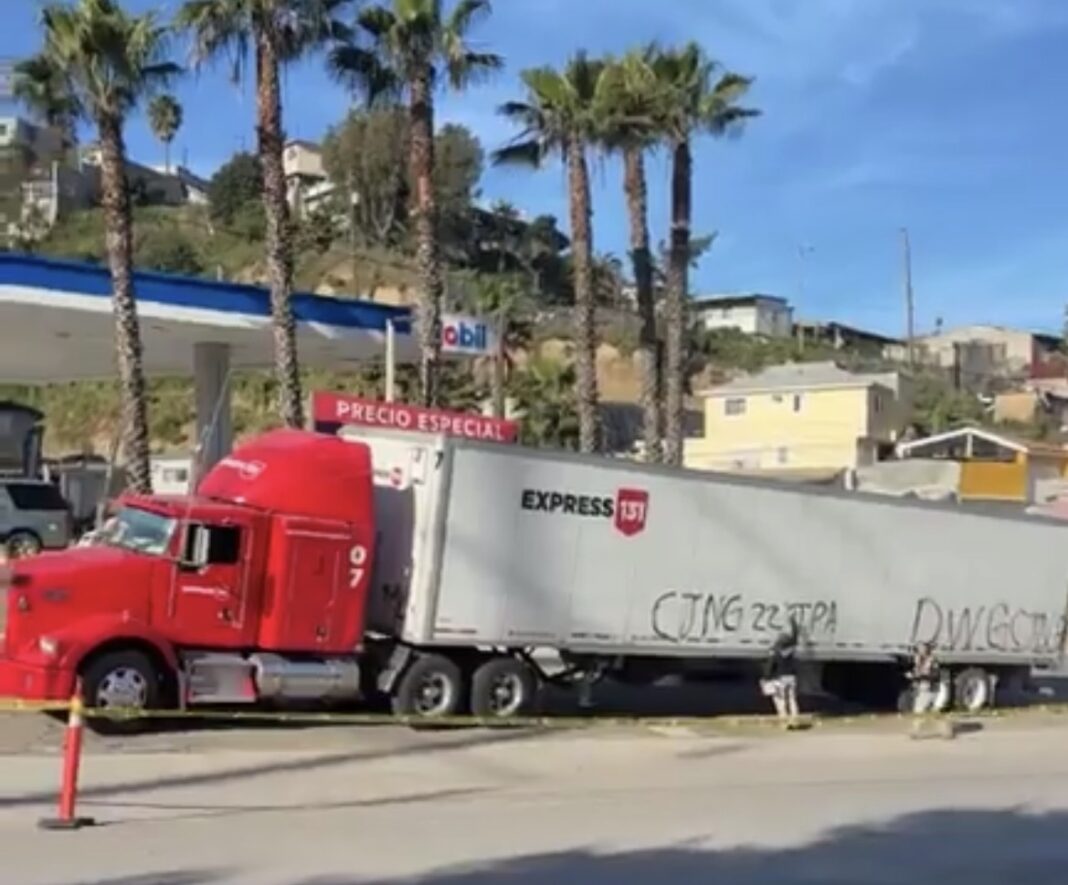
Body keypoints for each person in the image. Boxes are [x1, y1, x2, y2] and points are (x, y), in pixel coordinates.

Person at [907, 642, 952, 739]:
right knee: (920, 710)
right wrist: (912, 676)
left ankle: (946, 731)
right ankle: (915, 731)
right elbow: (917, 672)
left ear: (927, 650)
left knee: (929, 712)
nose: (919, 651)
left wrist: (918, 676)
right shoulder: (919, 660)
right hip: (924, 688)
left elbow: (935, 675)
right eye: (919, 649)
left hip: (933, 689)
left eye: (922, 649)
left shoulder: (933, 661)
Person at [761, 622, 802, 729]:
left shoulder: (776, 654)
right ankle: (795, 720)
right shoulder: (792, 651)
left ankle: (784, 722)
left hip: (780, 679)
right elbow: (795, 638)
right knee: (792, 699)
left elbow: (770, 667)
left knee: (780, 700)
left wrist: (766, 677)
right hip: (792, 678)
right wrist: (794, 625)